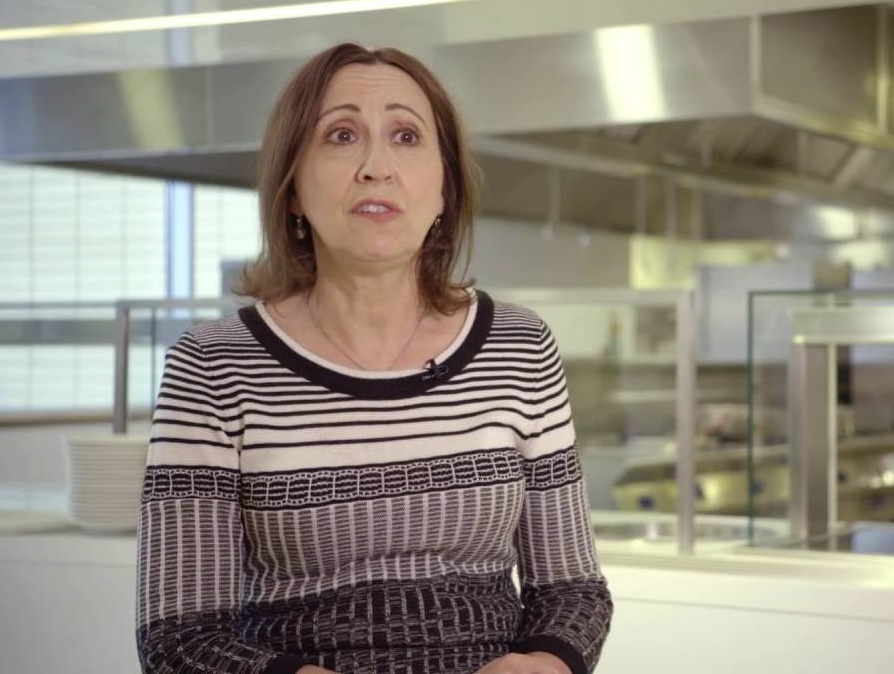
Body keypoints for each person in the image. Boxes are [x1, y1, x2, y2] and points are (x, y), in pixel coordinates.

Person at [135, 43, 613, 674]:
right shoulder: (213, 365)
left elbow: (572, 590)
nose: (376, 166)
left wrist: (541, 664)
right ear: (292, 188)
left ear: (444, 188)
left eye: (406, 136)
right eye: (341, 135)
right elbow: (178, 637)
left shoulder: (519, 345)